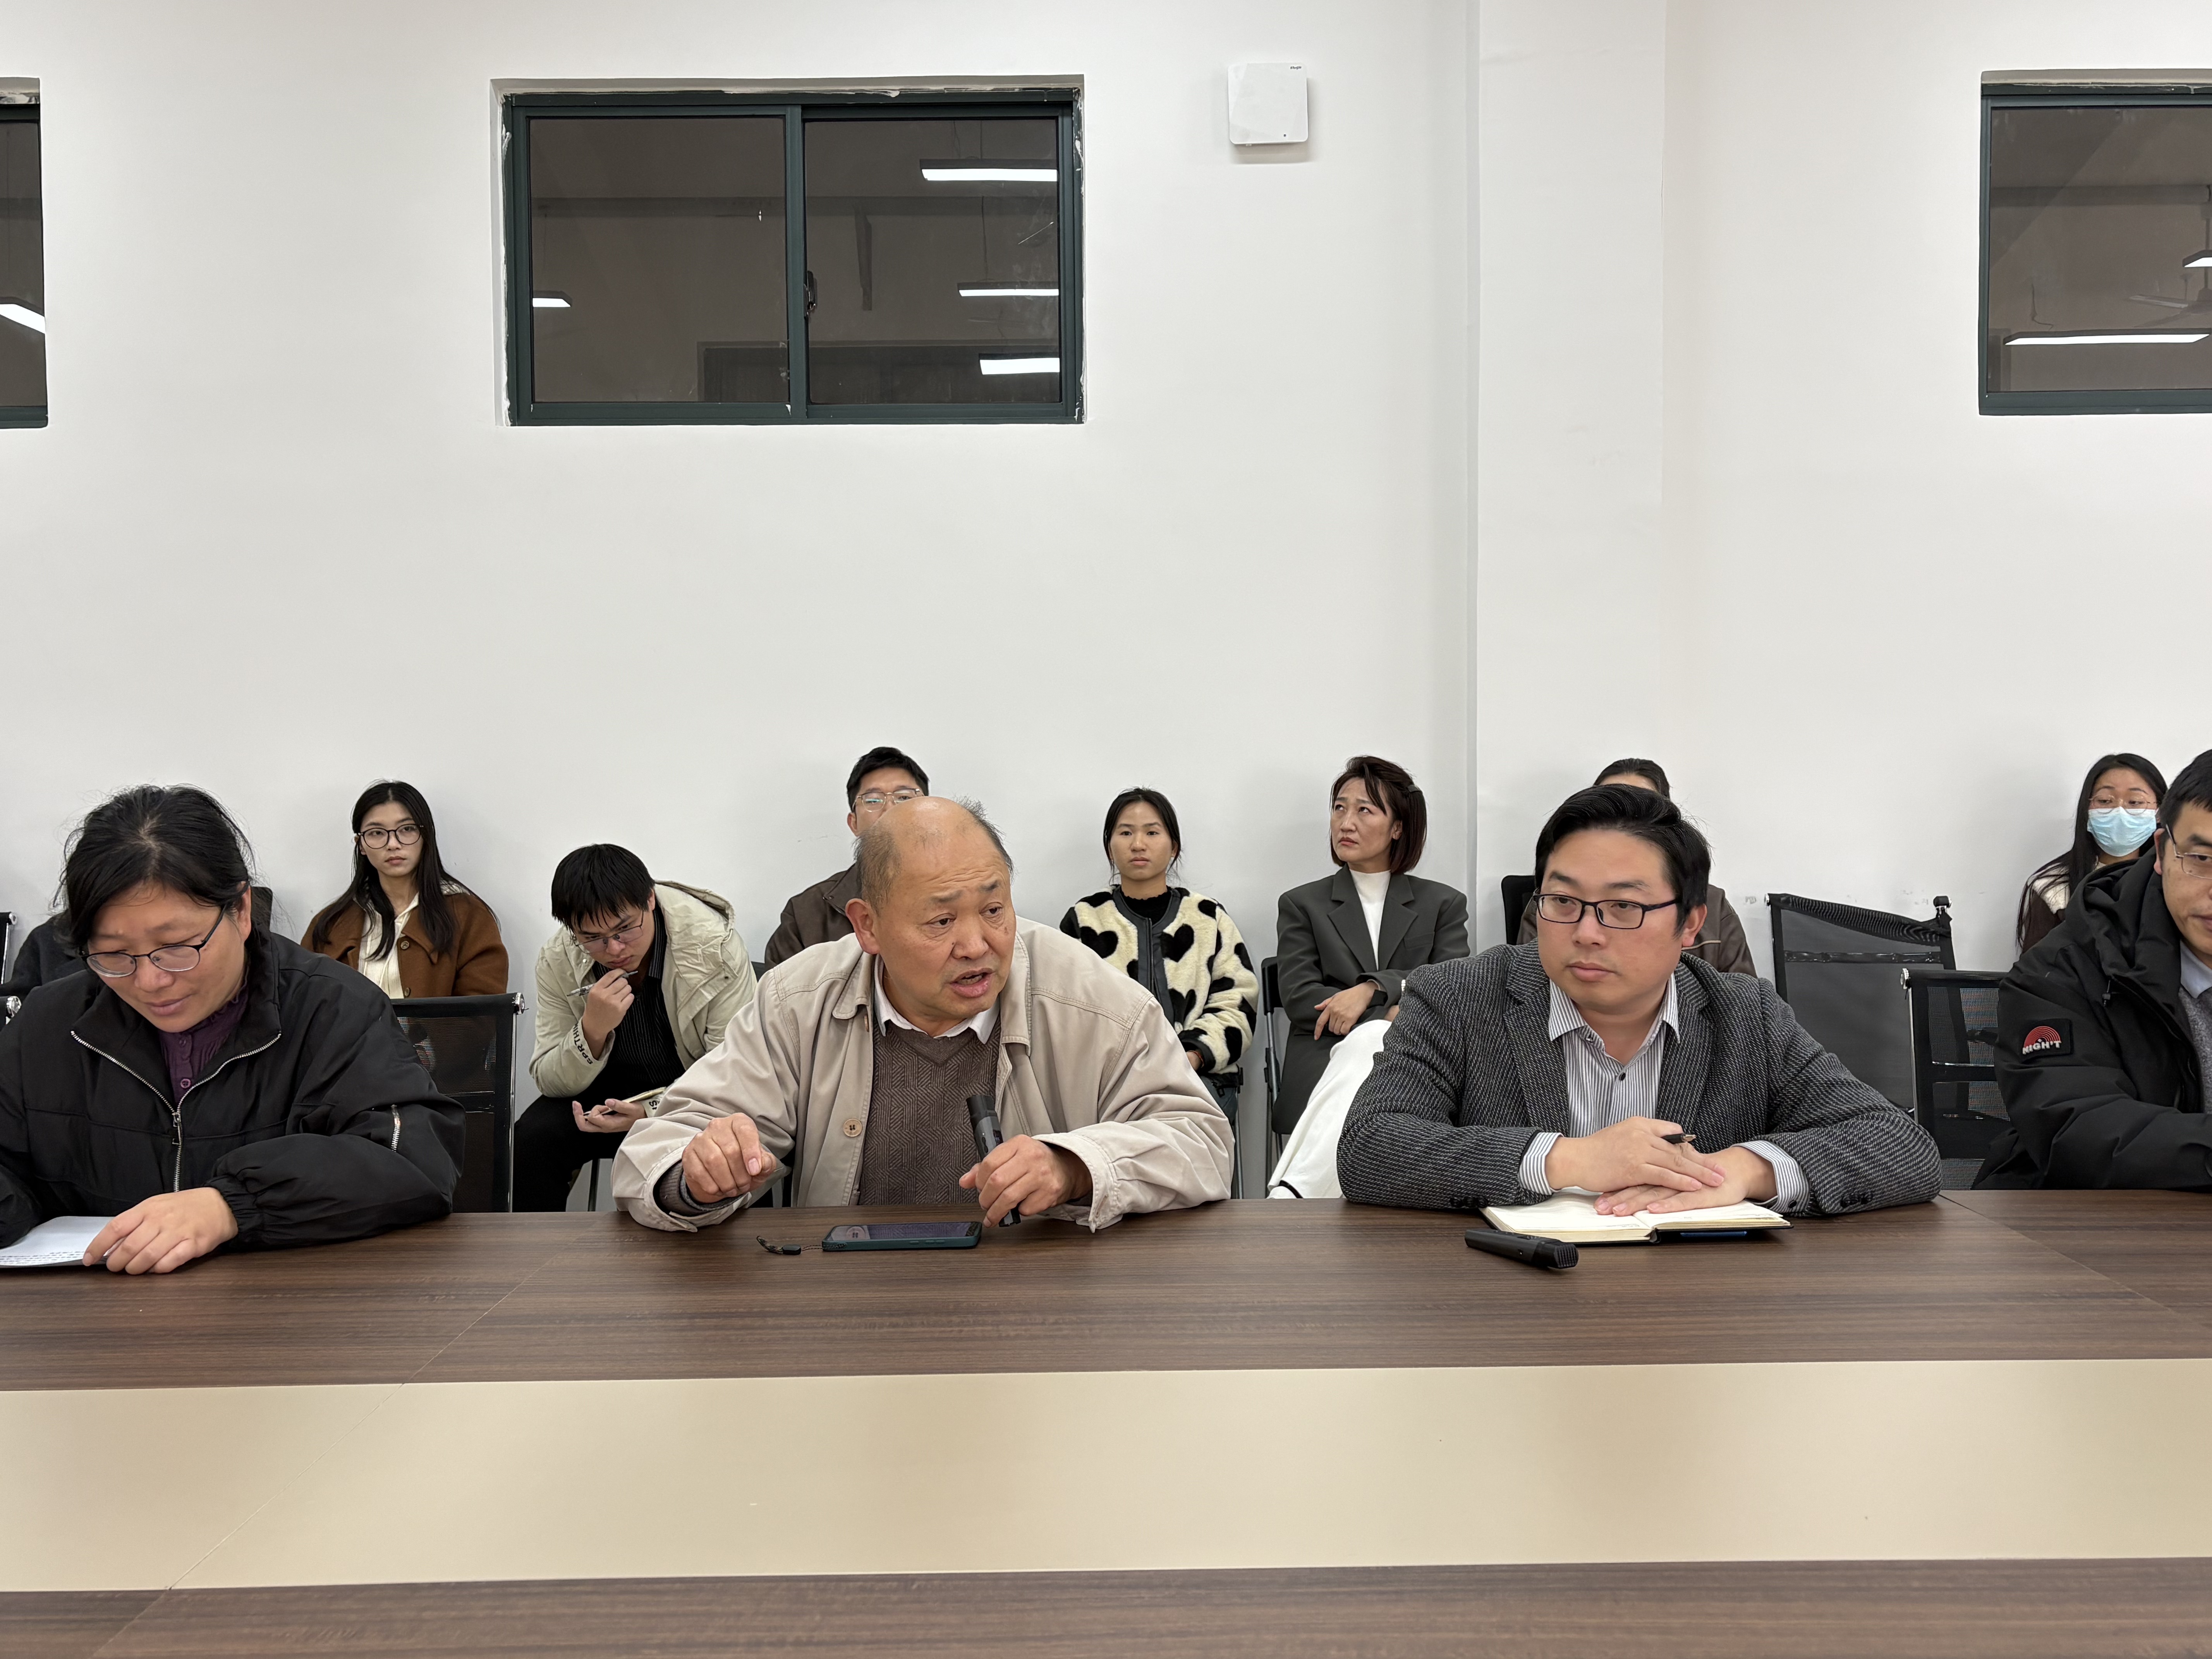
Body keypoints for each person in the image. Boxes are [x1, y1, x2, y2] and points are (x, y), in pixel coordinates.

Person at [613, 797, 1231, 1231]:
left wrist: (1077, 1167)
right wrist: (695, 1177)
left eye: (994, 909)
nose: (978, 944)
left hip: (1037, 1309)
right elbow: (656, 1148)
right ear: (868, 926)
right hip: (849, 1303)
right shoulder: (797, 1000)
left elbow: (1202, 1141)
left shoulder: (1087, 996)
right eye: (941, 920)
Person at [1336, 783, 1939, 1217]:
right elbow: (1370, 1146)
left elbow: (1900, 1144)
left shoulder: (1746, 1015)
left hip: (1695, 1311)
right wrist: (1566, 1160)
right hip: (1511, 1306)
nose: (1587, 932)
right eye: (1563, 901)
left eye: (1624, 907)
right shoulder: (1459, 997)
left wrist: (1743, 1170)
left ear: (1691, 924)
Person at [0, 786, 463, 1270]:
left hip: (285, 1305)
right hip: (89, 1309)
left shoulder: (333, 1009)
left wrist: (233, 1204)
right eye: (113, 954)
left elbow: (414, 1158)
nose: (151, 980)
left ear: (241, 912)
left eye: (177, 946)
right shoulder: (49, 1024)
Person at [1979, 749, 2212, 1189]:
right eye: (2201, 859)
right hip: (2095, 1222)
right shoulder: (2062, 969)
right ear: (2162, 851)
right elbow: (2077, 1130)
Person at [517, 846, 756, 1211]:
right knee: (534, 1137)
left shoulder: (715, 948)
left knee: (737, 1141)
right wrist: (592, 1031)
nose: (614, 949)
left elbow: (733, 1076)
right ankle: (537, 1246)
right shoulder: (558, 957)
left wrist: (652, 1110)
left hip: (694, 1098)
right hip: (608, 1098)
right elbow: (550, 1080)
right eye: (593, 937)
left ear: (650, 900)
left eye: (625, 928)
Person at [1273, 757, 1468, 1132]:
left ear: (1398, 827)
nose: (1346, 823)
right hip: (1325, 1054)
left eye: (1364, 810)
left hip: (1417, 1056)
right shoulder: (1301, 904)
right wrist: (1386, 1015)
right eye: (1339, 808)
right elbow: (1300, 997)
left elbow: (1452, 987)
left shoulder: (1443, 903)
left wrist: (1372, 989)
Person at [1059, 787, 1257, 1100]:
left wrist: (1192, 1056)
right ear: (1110, 848)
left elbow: (1237, 1003)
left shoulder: (1208, 917)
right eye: (1126, 833)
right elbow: (1065, 1011)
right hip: (1111, 1084)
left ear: (1173, 847)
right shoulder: (1085, 920)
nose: (1138, 844)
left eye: (1152, 832)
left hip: (1198, 1080)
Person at [1513, 759, 1755, 976]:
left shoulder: (1713, 906)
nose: (1587, 935)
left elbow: (1741, 992)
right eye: (1608, 803)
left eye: (1624, 905)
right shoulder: (1546, 901)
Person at [303, 781, 508, 999]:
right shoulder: (330, 924)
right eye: (376, 833)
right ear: (360, 844)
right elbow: (302, 1004)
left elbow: (482, 1012)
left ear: (425, 835)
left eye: (407, 829)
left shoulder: (469, 917)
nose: (393, 844)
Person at [764, 746, 929, 970]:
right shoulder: (806, 914)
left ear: (930, 813)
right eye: (873, 800)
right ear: (854, 824)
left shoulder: (969, 891)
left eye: (904, 797)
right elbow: (780, 991)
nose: (890, 808)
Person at [2015, 753, 2167, 957]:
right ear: (2087, 810)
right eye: (2105, 801)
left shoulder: (2171, 881)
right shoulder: (2054, 889)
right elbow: (2036, 971)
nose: (2119, 812)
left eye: (2135, 802)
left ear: (2159, 812)